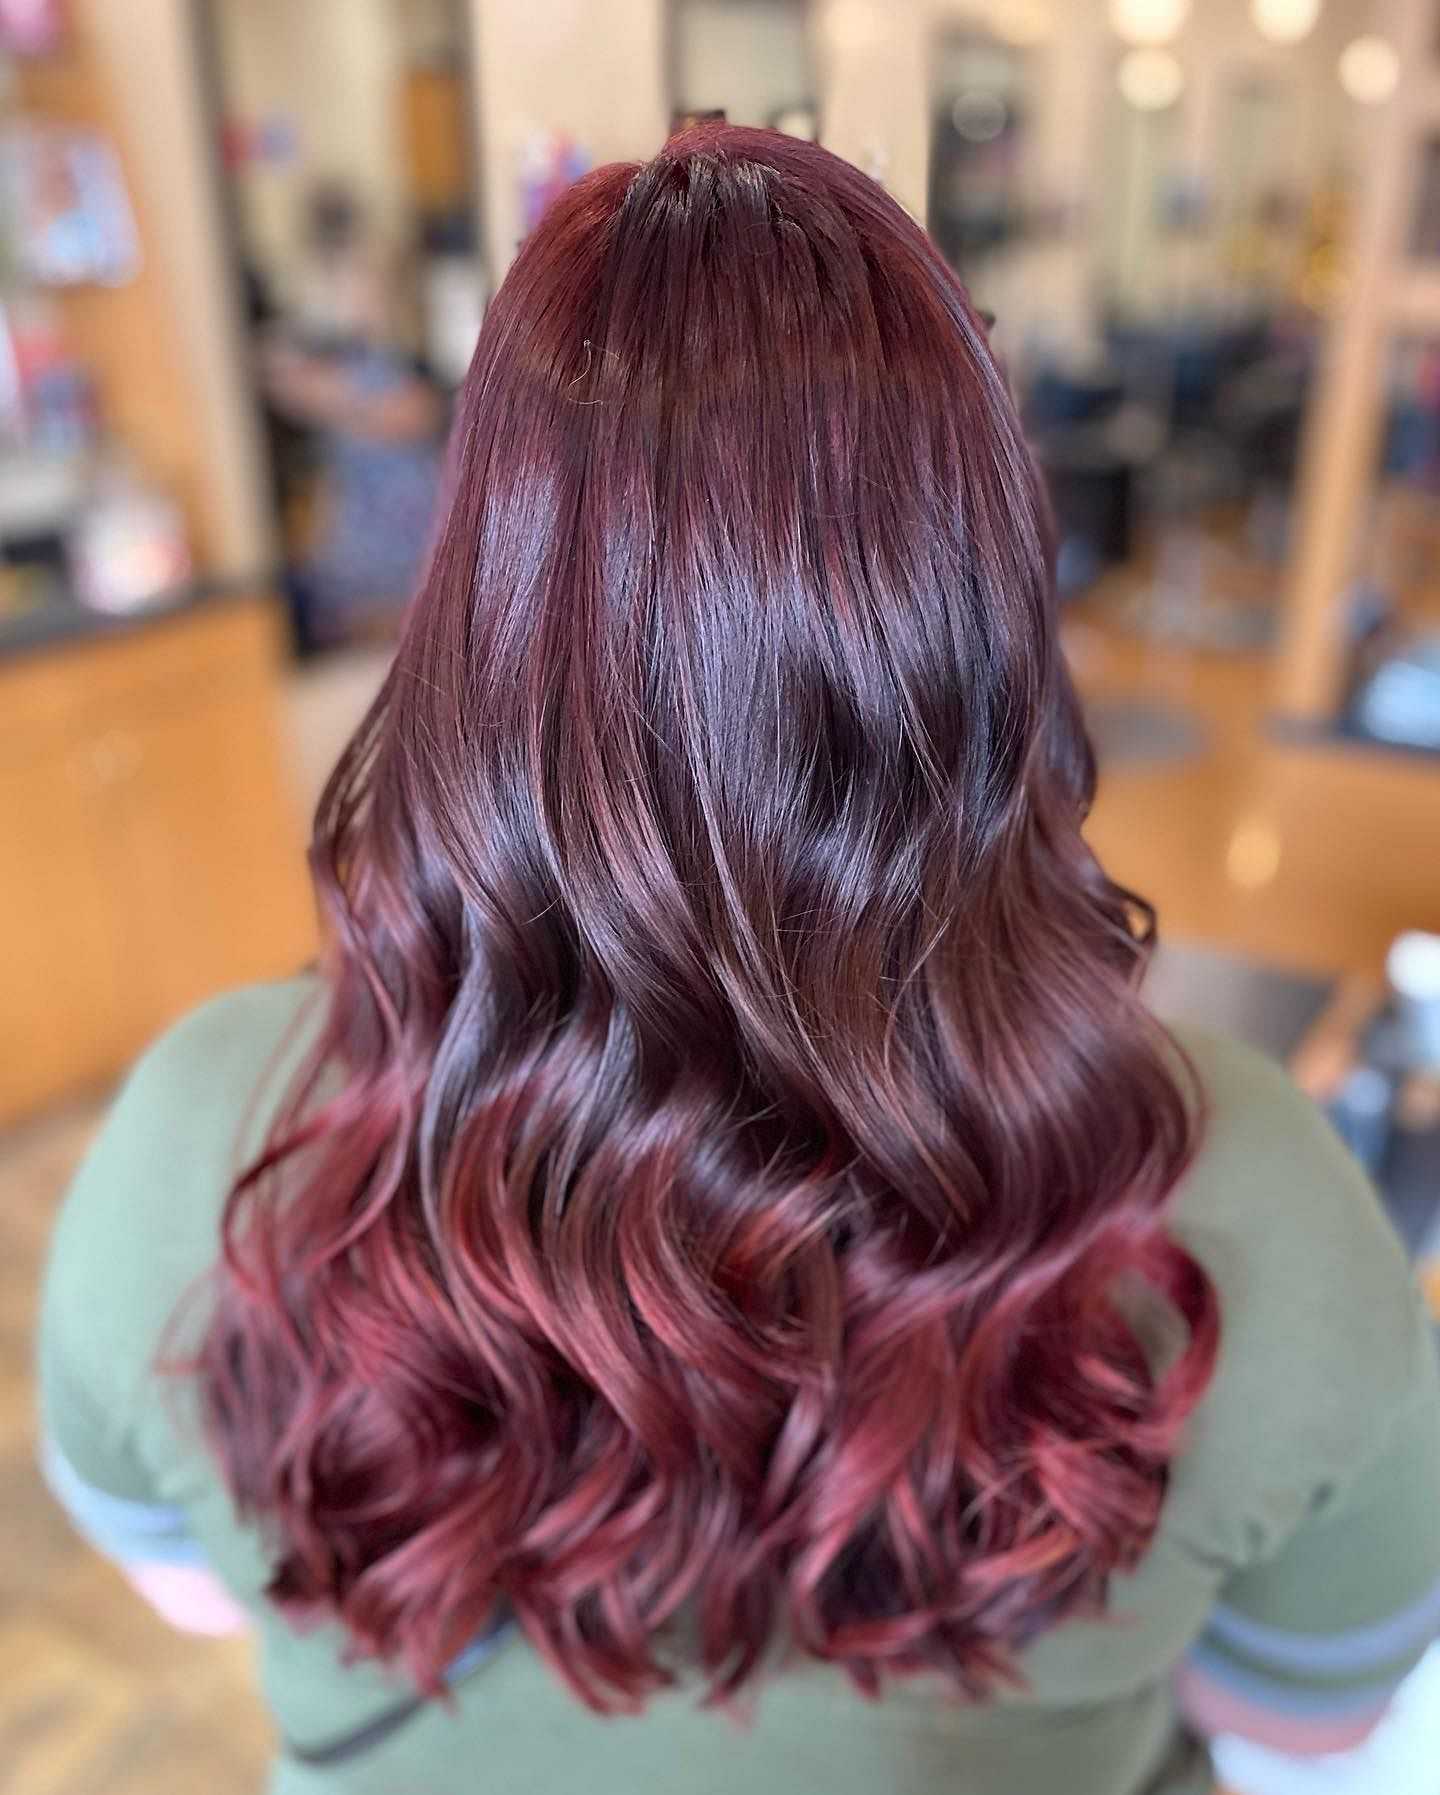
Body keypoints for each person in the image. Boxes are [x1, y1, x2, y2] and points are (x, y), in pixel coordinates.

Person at [40, 127, 1440, 1795]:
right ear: (984, 606)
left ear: (486, 598)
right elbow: (1313, 1720)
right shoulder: (1251, 1191)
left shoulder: (209, 1132)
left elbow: (189, 1590)